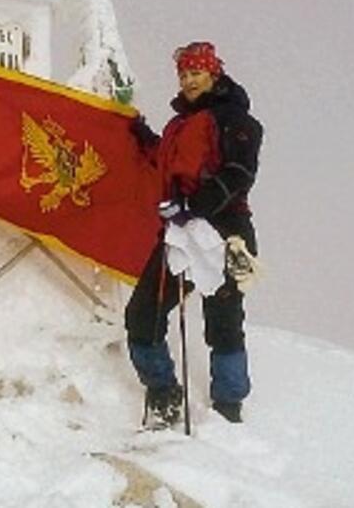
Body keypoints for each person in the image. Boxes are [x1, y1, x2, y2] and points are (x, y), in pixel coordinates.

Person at [126, 41, 263, 426]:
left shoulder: (235, 119)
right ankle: (163, 391)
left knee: (223, 317)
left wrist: (196, 204)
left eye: (196, 73)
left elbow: (239, 172)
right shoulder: (178, 125)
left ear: (213, 73)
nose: (188, 80)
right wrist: (138, 136)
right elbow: (166, 161)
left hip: (226, 229)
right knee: (143, 313)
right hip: (181, 232)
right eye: (184, 74)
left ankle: (228, 406)